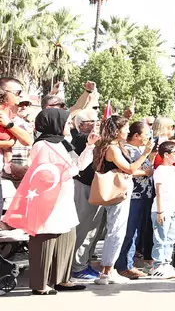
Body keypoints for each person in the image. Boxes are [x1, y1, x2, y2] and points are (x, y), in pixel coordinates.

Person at [6, 108, 96, 294]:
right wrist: (69, 171)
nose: (69, 126)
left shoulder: (63, 142)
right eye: (67, 122)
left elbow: (78, 165)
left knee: (66, 236)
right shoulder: (41, 145)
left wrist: (90, 146)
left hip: (64, 197)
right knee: (46, 238)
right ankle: (41, 284)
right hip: (48, 199)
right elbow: (47, 172)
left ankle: (61, 279)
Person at [94, 116, 154, 285]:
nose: (128, 131)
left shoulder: (117, 146)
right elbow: (130, 168)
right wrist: (145, 154)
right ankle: (108, 271)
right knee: (116, 232)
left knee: (118, 232)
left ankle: (109, 269)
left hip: (126, 193)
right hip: (119, 193)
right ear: (116, 130)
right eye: (125, 128)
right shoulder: (112, 149)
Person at [115, 121, 157, 280]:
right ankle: (123, 265)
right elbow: (129, 170)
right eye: (146, 134)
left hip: (145, 195)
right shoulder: (127, 150)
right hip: (134, 196)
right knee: (129, 231)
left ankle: (129, 262)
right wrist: (146, 170)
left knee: (137, 231)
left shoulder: (140, 150)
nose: (149, 137)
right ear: (136, 135)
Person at [68, 109, 104, 281]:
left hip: (93, 187)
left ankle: (84, 262)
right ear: (81, 124)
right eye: (93, 120)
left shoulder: (89, 138)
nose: (97, 122)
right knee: (85, 228)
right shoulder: (82, 138)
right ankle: (78, 266)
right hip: (83, 186)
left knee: (93, 229)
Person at [151, 140, 175, 279]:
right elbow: (158, 192)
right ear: (166, 154)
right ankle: (158, 265)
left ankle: (167, 263)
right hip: (163, 208)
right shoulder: (160, 170)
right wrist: (160, 210)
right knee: (160, 238)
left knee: (171, 238)